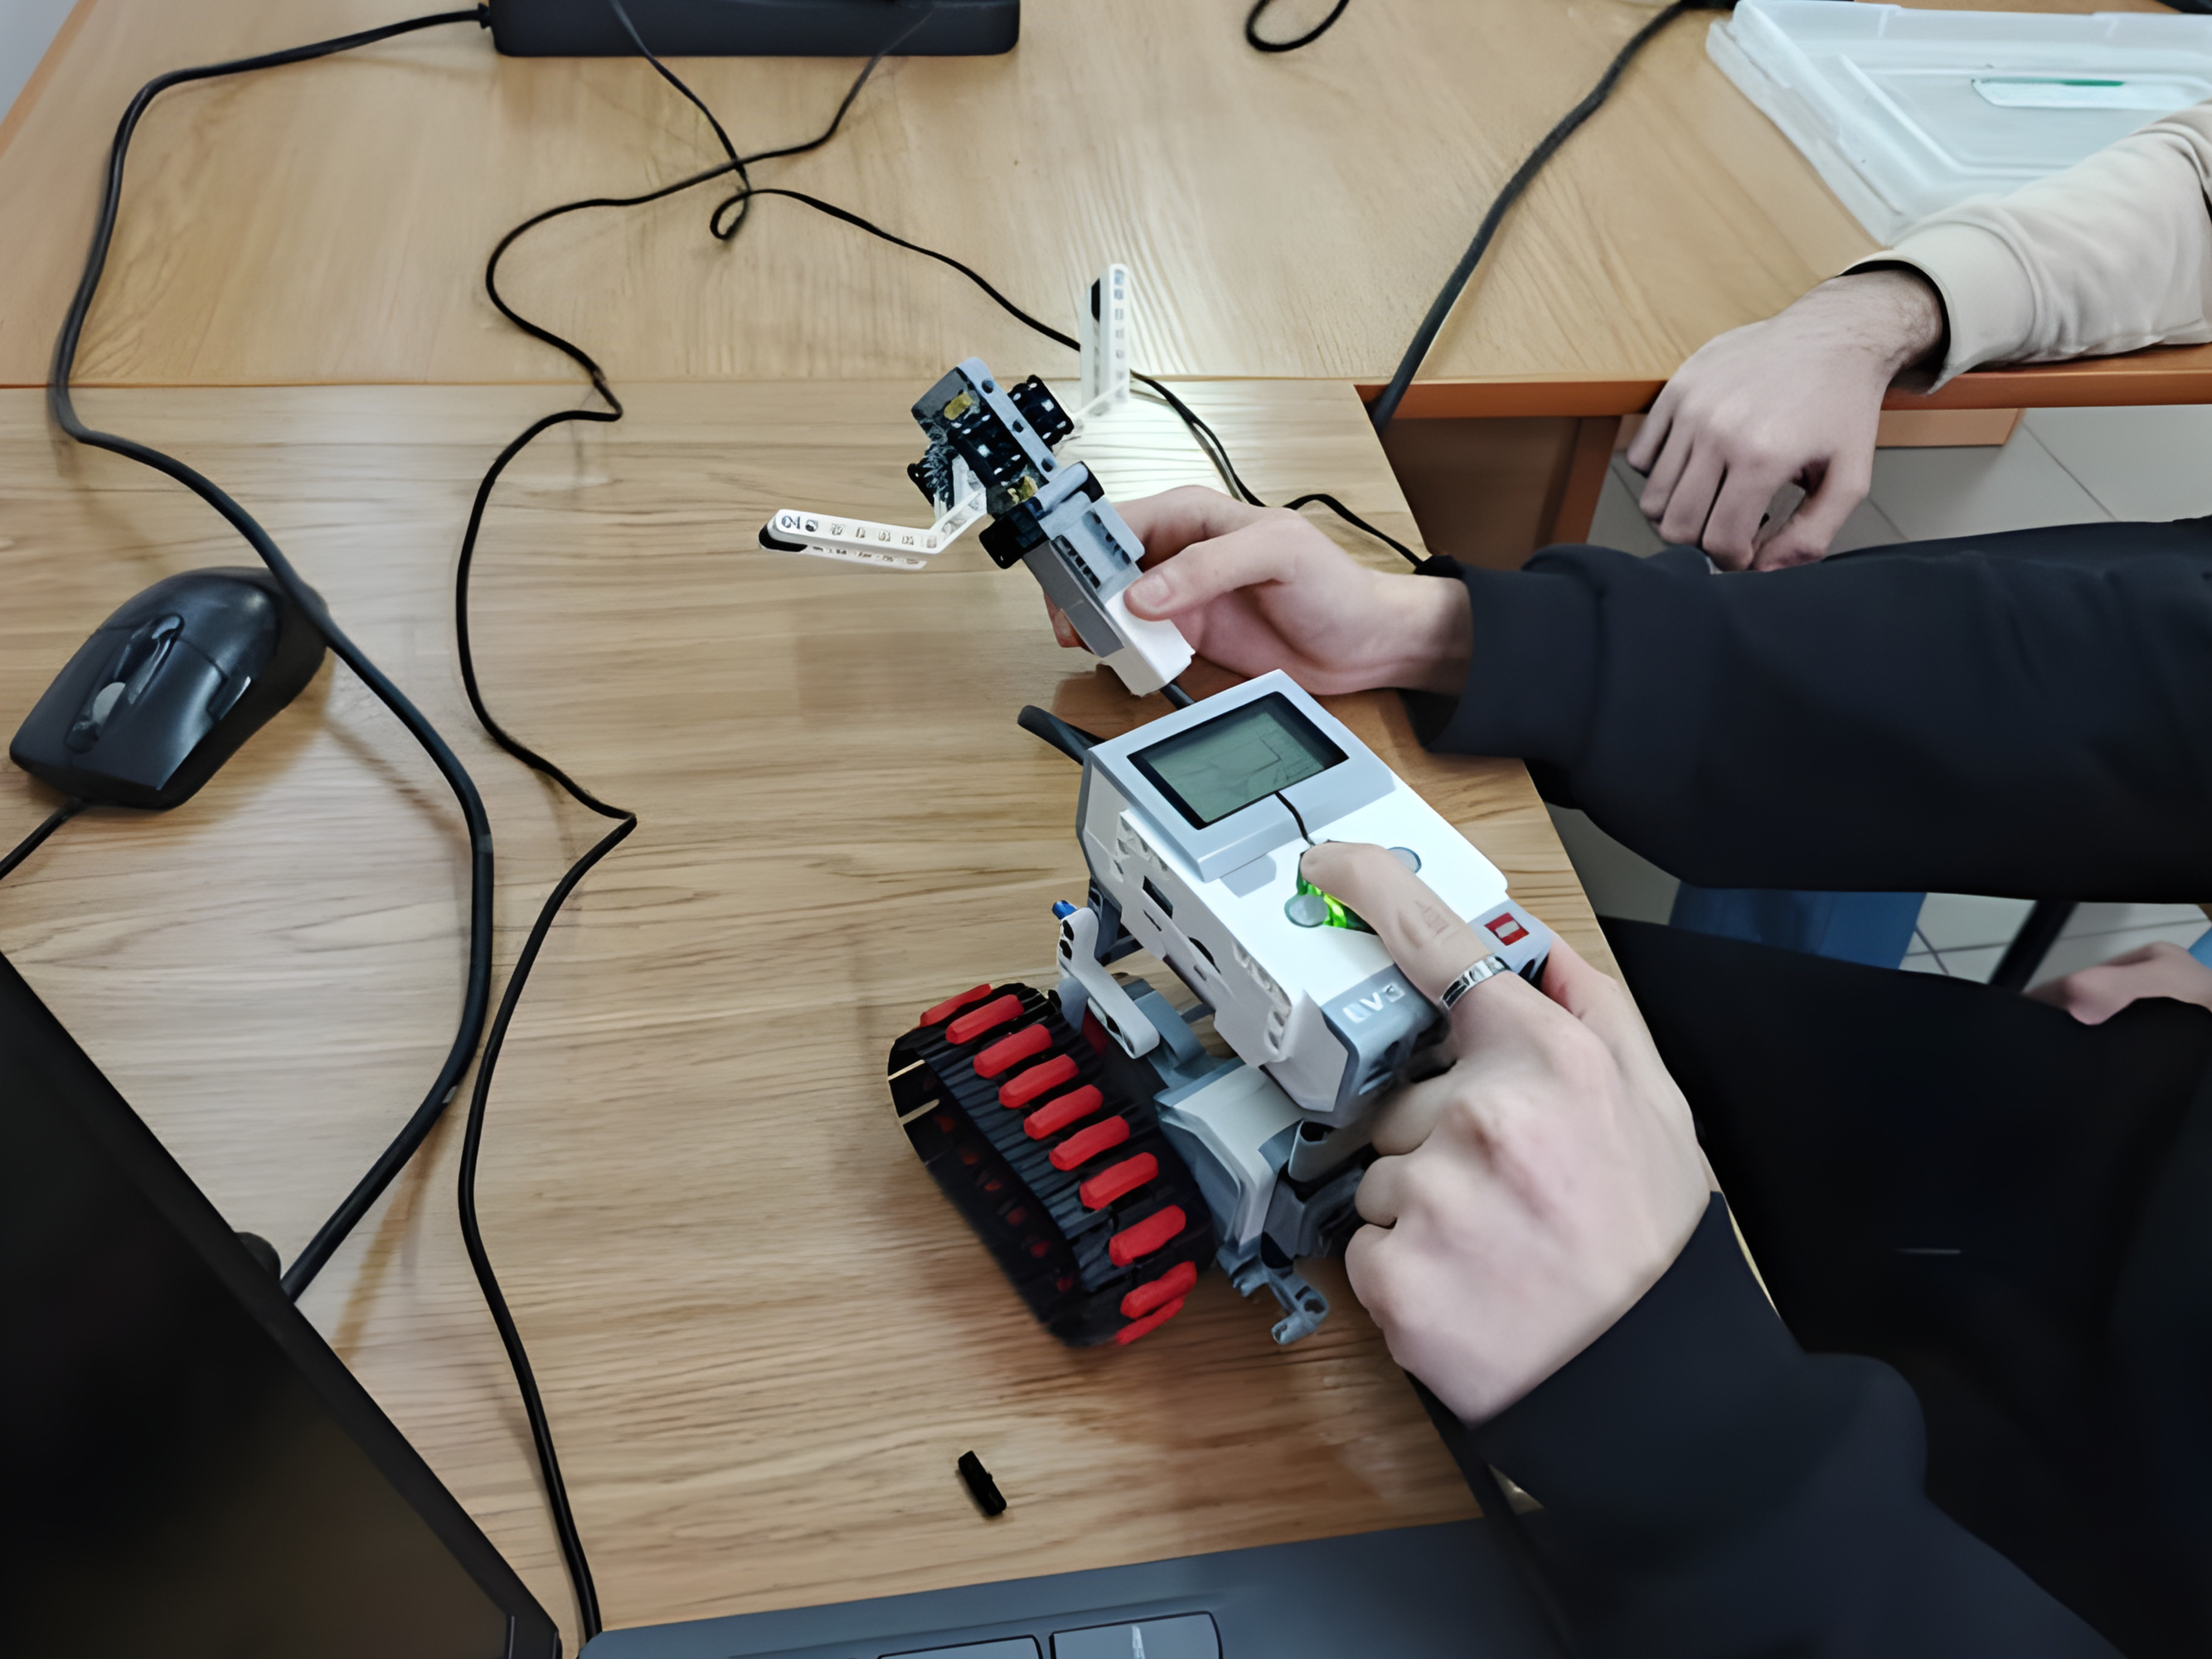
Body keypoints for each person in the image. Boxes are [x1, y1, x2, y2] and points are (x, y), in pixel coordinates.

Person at [1027, 96, 2212, 1646]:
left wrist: (1703, 1450)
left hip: (2008, 1557)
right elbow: (2135, 668)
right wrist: (1457, 634)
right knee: (1523, 1017)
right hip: (2104, 1154)